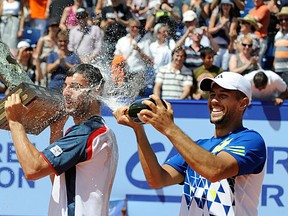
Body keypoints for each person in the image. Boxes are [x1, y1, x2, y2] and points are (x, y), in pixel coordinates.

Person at [113, 71, 266, 215]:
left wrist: (169, 128)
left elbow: (215, 170)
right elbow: (157, 179)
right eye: (212, 94)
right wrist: (138, 130)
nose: (213, 100)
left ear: (242, 104)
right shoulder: (198, 146)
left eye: (223, 96)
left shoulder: (251, 140)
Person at [4, 63, 119, 216]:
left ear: (94, 92)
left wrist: (15, 122)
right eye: (65, 86)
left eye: (75, 87)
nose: (66, 92)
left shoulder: (87, 133)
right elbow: (59, 182)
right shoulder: (98, 131)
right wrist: (56, 130)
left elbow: (33, 169)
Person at [273, 6, 288, 85]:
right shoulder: (278, 35)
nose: (284, 22)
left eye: (286, 19)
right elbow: (276, 51)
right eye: (281, 20)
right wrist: (274, 65)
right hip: (278, 69)